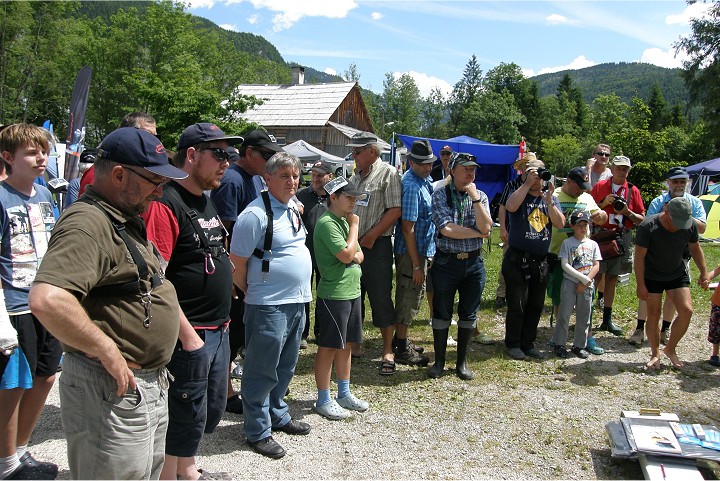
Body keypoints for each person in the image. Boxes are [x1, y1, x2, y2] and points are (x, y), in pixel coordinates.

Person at [28, 127, 188, 479]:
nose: (161, 192)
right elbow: (47, 299)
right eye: (154, 181)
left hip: (139, 384)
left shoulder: (120, 216)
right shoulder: (88, 224)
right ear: (119, 175)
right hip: (109, 386)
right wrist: (105, 348)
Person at [143, 122, 241, 480]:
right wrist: (187, 335)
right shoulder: (166, 204)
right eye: (219, 154)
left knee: (206, 410)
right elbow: (156, 279)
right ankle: (175, 476)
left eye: (229, 155)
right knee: (184, 411)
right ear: (191, 155)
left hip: (218, 327)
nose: (226, 162)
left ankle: (186, 469)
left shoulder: (205, 198)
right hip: (190, 333)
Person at [229, 152, 312, 459]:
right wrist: (253, 291)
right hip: (268, 305)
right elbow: (236, 262)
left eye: (295, 176)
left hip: (297, 301)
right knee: (260, 370)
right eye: (285, 176)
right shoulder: (253, 215)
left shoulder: (293, 206)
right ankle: (257, 431)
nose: (293, 181)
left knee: (286, 365)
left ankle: (277, 413)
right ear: (267, 179)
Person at [0, 123, 61, 480]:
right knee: (14, 383)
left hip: (45, 301)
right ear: (8, 158)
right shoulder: (2, 197)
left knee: (46, 377)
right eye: (31, 153)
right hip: (15, 304)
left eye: (44, 151)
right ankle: (6, 462)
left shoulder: (44, 196)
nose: (41, 158)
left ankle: (21, 450)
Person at [209, 130, 284, 415]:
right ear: (250, 153)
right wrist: (231, 275)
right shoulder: (232, 180)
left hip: (251, 270)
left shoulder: (252, 178)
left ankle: (245, 386)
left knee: (242, 333)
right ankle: (225, 393)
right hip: (237, 270)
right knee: (233, 333)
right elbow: (222, 231)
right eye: (266, 156)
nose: (269, 161)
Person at [427, 152, 493, 380]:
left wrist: (475, 199)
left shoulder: (480, 196)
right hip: (447, 262)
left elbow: (487, 226)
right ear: (452, 170)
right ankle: (439, 361)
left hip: (474, 263)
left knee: (469, 313)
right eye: (465, 169)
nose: (470, 173)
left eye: (473, 169)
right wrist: (478, 233)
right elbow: (447, 229)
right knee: (442, 312)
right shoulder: (440, 195)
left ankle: (462, 362)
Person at [629, 166, 707, 347]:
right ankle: (641, 328)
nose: (679, 185)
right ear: (668, 183)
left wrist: (684, 215)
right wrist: (668, 212)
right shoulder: (659, 201)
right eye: (675, 181)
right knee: (649, 300)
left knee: (675, 299)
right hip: (655, 256)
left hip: (680, 256)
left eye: (682, 181)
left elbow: (700, 230)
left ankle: (665, 329)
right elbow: (649, 223)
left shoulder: (694, 203)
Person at [312, 177, 368, 420]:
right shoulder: (328, 223)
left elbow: (360, 254)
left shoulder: (342, 221)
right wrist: (354, 228)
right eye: (349, 197)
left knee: (346, 345)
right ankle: (323, 397)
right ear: (333, 197)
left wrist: (352, 250)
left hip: (351, 291)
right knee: (329, 347)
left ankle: (343, 392)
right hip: (334, 294)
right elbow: (348, 255)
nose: (354, 202)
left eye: (355, 198)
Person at [346, 132, 401, 374]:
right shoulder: (354, 177)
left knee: (380, 297)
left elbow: (395, 210)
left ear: (372, 151)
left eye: (357, 152)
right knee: (354, 294)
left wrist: (371, 236)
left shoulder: (388, 173)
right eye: (353, 152)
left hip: (376, 246)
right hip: (354, 245)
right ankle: (354, 344)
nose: (354, 156)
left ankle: (388, 349)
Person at [503, 155, 565, 360]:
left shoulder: (549, 198)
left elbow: (560, 224)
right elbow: (510, 206)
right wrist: (527, 183)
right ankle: (513, 343)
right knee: (517, 304)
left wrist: (550, 203)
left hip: (540, 260)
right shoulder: (518, 192)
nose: (538, 179)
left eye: (540, 174)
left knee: (536, 305)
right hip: (518, 258)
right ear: (525, 174)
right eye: (533, 174)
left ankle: (528, 342)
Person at [635, 197, 708, 369]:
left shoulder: (689, 225)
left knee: (687, 310)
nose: (680, 226)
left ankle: (670, 348)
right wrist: (640, 284)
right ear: (666, 212)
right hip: (652, 275)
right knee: (653, 313)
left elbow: (695, 248)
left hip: (676, 272)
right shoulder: (648, 226)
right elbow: (639, 257)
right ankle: (655, 354)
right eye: (677, 221)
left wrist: (704, 272)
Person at [547, 166, 607, 355]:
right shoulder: (554, 194)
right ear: (569, 181)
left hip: (585, 259)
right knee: (561, 299)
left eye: (584, 186)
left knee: (585, 303)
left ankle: (585, 338)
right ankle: (560, 338)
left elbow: (602, 217)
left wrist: (601, 215)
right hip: (558, 253)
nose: (582, 190)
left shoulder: (587, 198)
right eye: (578, 186)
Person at [590, 155, 645, 337]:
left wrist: (627, 212)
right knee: (595, 276)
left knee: (612, 278)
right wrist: (603, 203)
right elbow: (587, 211)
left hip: (621, 237)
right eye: (619, 168)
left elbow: (641, 219)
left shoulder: (632, 190)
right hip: (601, 235)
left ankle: (607, 319)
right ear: (612, 169)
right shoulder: (600, 187)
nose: (622, 171)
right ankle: (588, 317)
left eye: (625, 169)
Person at [392, 140, 436, 368]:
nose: (428, 168)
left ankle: (401, 338)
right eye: (423, 164)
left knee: (414, 295)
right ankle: (400, 347)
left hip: (421, 250)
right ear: (411, 163)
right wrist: (417, 265)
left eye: (430, 163)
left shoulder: (424, 180)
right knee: (408, 297)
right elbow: (407, 228)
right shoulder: (410, 185)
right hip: (412, 254)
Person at [551, 211, 601, 359]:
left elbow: (596, 265)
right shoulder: (567, 243)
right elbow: (565, 265)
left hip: (586, 285)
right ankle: (559, 343)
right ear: (572, 226)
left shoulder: (593, 244)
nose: (582, 228)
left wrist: (587, 281)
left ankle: (579, 345)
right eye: (579, 225)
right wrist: (581, 278)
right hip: (570, 283)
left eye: (585, 225)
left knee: (584, 316)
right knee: (564, 314)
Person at [295, 160, 333, 347]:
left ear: (330, 177)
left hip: (327, 256)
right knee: (303, 294)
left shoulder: (335, 197)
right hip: (305, 253)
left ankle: (321, 331)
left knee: (324, 294)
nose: (315, 178)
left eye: (320, 175)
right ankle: (302, 332)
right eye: (313, 175)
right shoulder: (301, 195)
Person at [79, 112, 157, 197]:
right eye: (146, 135)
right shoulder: (100, 174)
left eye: (155, 137)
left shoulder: (131, 168)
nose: (153, 142)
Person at [492, 155, 531, 311]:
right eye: (526, 166)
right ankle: (501, 295)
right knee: (507, 264)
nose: (528, 169)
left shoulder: (540, 185)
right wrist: (502, 228)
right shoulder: (512, 185)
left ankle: (525, 295)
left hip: (532, 232)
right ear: (521, 169)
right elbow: (502, 207)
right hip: (513, 231)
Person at [704, 263, 720, 367]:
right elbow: (716, 271)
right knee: (716, 329)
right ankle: (715, 354)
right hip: (719, 301)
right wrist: (706, 278)